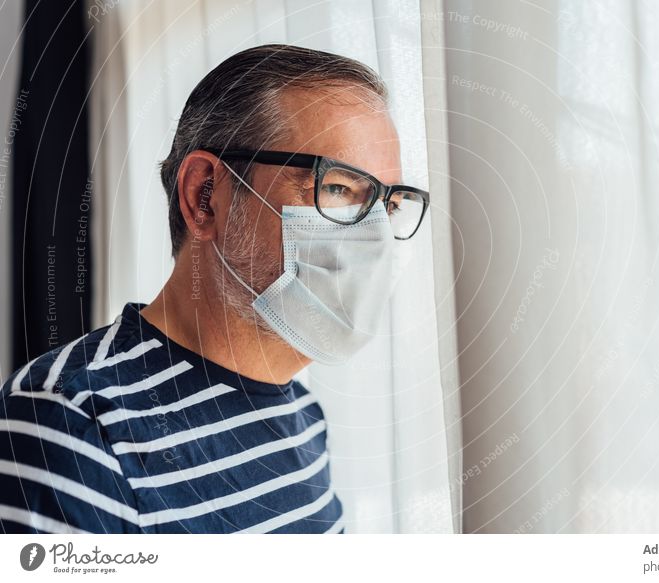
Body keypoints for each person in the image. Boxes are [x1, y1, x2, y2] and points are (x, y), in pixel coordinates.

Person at [0, 44, 429, 533]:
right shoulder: (68, 422)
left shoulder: (303, 415)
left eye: (390, 205)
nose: (374, 236)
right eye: (336, 188)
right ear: (205, 196)